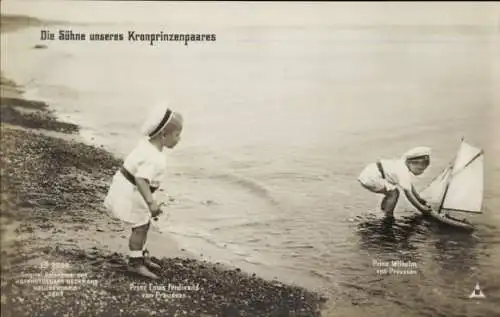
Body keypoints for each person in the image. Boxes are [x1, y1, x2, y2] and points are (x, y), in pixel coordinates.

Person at [104, 102, 183, 279]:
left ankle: (140, 254)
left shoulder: (147, 145)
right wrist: (151, 203)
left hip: (128, 187)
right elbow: (141, 179)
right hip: (132, 192)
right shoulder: (154, 158)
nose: (179, 139)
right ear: (164, 135)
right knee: (139, 227)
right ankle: (135, 263)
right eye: (177, 135)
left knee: (144, 224)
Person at [358, 146, 432, 218]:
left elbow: (410, 186)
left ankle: (384, 209)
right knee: (394, 193)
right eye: (420, 169)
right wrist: (421, 208)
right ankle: (388, 215)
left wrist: (419, 199)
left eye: (423, 170)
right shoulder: (403, 172)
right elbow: (409, 195)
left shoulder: (402, 164)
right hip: (371, 177)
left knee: (390, 192)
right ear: (411, 163)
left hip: (370, 172)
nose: (422, 172)